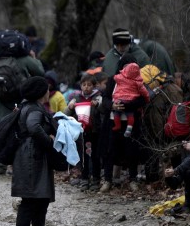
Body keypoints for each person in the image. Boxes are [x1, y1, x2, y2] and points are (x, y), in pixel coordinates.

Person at [12, 76, 62, 226]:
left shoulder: (28, 106)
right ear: (41, 92)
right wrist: (50, 142)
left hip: (32, 157)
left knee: (41, 198)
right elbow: (33, 127)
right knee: (31, 199)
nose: (49, 92)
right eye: (47, 89)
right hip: (32, 158)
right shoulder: (34, 110)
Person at [0, 54, 44, 175]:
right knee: (20, 132)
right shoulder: (25, 60)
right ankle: (18, 166)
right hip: (21, 103)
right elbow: (40, 72)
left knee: (0, 133)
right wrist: (34, 58)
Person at [98, 54, 147, 192]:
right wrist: (113, 106)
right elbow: (106, 98)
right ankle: (107, 180)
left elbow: (143, 99)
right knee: (110, 151)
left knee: (132, 151)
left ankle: (133, 179)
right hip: (113, 122)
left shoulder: (138, 81)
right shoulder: (113, 81)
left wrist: (128, 105)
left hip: (131, 123)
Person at [64, 73, 102, 190]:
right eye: (84, 85)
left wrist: (97, 105)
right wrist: (70, 107)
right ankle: (84, 178)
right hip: (81, 132)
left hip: (94, 131)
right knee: (83, 156)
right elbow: (66, 113)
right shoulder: (76, 98)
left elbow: (103, 107)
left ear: (94, 86)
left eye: (89, 85)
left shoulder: (97, 97)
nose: (86, 87)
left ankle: (96, 179)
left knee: (95, 156)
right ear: (80, 86)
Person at [111, 62, 150, 137]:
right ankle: (129, 128)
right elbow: (145, 93)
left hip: (119, 99)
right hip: (130, 100)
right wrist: (147, 99)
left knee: (116, 113)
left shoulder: (120, 77)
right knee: (130, 115)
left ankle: (117, 125)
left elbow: (115, 77)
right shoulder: (138, 82)